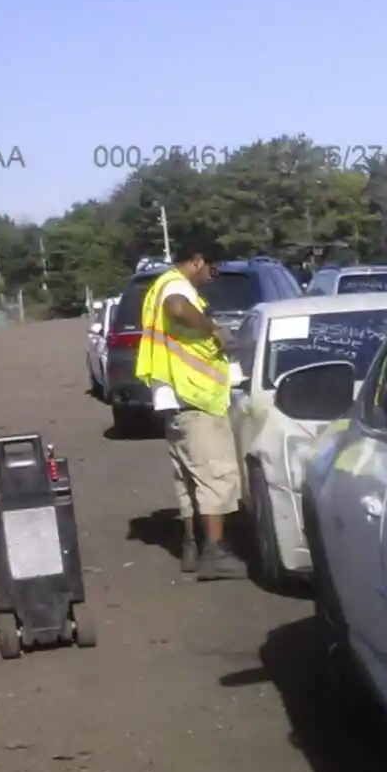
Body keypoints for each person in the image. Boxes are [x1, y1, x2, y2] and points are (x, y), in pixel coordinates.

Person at [135, 244, 247, 580]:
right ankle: (215, 553)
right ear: (197, 260)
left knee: (189, 479)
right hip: (195, 397)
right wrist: (213, 328)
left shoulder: (158, 286)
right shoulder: (176, 287)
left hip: (175, 399)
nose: (212, 278)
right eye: (212, 270)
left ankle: (191, 547)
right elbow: (179, 308)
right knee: (215, 476)